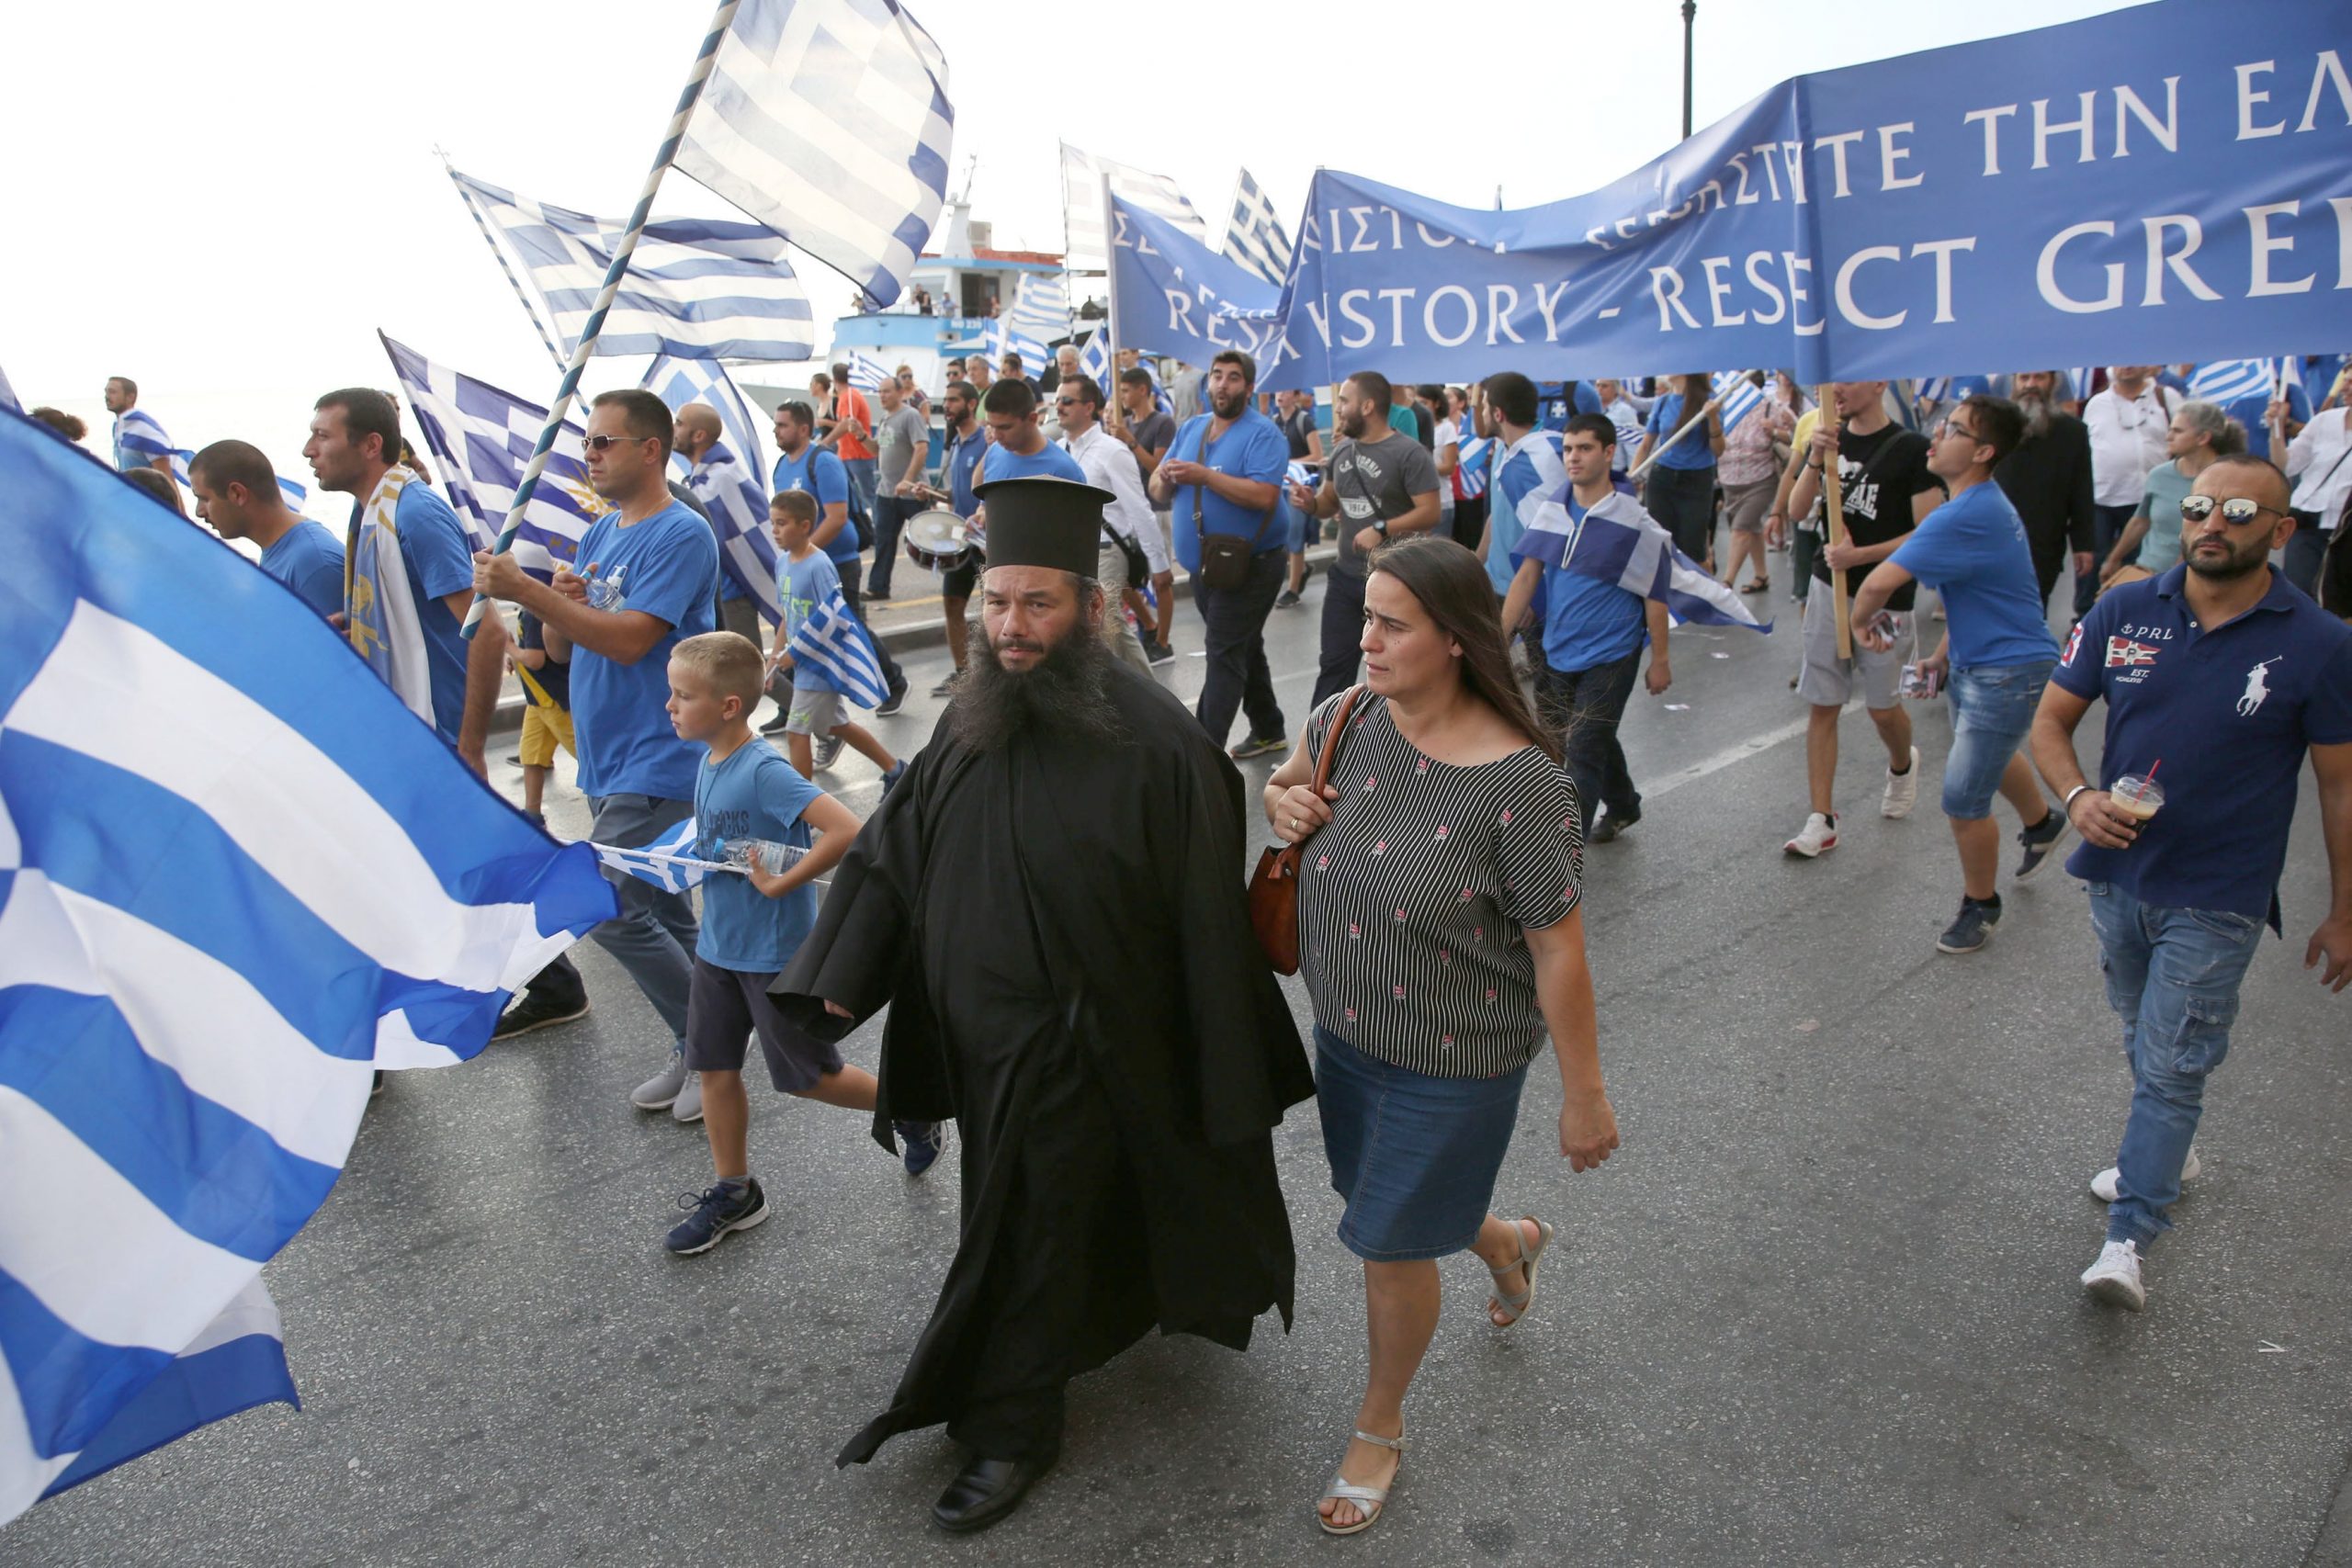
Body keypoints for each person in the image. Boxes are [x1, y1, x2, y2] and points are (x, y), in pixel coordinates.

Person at [771, 477, 1313, 1532]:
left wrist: (1204, 1063)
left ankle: (1009, 1425)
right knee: (1036, 1215)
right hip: (979, 1036)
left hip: (1084, 1043)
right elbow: (893, 853)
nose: (1010, 631)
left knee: (1021, 1225)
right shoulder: (973, 719)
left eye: (1037, 607)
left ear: (1090, 611)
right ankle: (1097, 1319)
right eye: (996, 605)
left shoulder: (1165, 750)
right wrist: (836, 986)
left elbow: (1204, 927)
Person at [1264, 534, 1615, 1537]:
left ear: (1456, 640)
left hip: (1456, 1062)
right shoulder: (1344, 718)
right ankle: (1504, 1240)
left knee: (1384, 1241)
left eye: (1391, 624)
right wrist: (1283, 799)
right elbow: (1285, 786)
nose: (1364, 638)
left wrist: (1583, 1094)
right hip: (1346, 1034)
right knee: (1385, 1205)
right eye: (1365, 616)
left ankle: (1379, 1425)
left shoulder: (1524, 787)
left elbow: (1559, 953)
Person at [2030, 454, 2352, 1312]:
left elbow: (2340, 784)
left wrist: (2346, 910)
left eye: (2241, 511)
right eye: (2202, 506)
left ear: (2282, 532)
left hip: (2221, 892)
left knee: (2171, 1065)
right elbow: (2052, 721)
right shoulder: (2126, 607)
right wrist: (2077, 796)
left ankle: (2130, 1233)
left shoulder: (2321, 643)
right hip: (2117, 877)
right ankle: (2168, 1148)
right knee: (2143, 1033)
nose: (2213, 523)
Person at [472, 389, 721, 1123]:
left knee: (608, 906)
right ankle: (699, 1045)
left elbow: (631, 639)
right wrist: (559, 595)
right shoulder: (601, 532)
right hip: (610, 756)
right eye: (587, 444)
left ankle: (707, 1050)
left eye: (604, 442)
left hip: (660, 751)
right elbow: (561, 649)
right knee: (668, 915)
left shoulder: (682, 533)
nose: (590, 455)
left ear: (652, 448)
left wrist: (529, 590)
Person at [657, 630, 939, 1256]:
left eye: (682, 695)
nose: (670, 706)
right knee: (712, 1066)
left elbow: (846, 830)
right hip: (718, 948)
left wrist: (784, 882)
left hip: (773, 958)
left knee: (810, 1078)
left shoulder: (763, 769)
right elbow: (727, 844)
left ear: (730, 705)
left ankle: (910, 1104)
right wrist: (677, 857)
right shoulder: (709, 759)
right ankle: (735, 1190)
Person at [1848, 397, 2064, 953]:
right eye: (1943, 425)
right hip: (1977, 662)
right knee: (1992, 753)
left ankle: (1981, 906)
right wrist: (1942, 656)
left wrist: (1858, 622)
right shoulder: (1979, 503)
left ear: (1984, 451)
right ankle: (2042, 824)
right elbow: (1983, 592)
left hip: (2007, 671)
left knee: (1963, 797)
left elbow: (1875, 585)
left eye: (1956, 430)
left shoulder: (1964, 513)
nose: (1937, 436)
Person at [1780, 380, 1944, 858]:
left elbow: (1927, 532)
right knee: (1822, 702)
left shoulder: (1912, 448)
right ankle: (1821, 819)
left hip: (1887, 599)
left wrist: (1861, 555)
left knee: (1883, 706)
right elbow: (1795, 509)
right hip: (1829, 590)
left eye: (1844, 383)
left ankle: (1901, 765)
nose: (1833, 393)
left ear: (1877, 385)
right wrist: (1816, 456)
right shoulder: (1826, 437)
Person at [305, 387, 504, 771]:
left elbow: (489, 631)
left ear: (371, 445)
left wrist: (471, 747)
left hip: (438, 739)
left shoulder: (415, 514)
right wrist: (364, 623)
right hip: (402, 736)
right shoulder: (370, 512)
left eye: (323, 436)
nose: (308, 449)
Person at [1498, 414, 1673, 844]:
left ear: (1609, 453)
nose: (1573, 457)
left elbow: (1655, 592)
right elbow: (1526, 577)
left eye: (1584, 448)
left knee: (1583, 746)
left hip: (1613, 652)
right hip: (1558, 648)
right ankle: (1625, 803)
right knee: (1574, 737)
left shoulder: (1633, 520)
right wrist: (1497, 640)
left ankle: (1562, 853)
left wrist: (1661, 660)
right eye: (1569, 449)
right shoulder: (1553, 511)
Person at [1150, 349, 1291, 758]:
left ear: (1248, 387)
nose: (1223, 384)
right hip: (1207, 567)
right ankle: (1268, 728)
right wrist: (1163, 478)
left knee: (1224, 653)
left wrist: (1206, 477)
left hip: (1252, 564)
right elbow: (1157, 492)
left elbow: (1265, 496)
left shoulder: (1263, 434)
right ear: (1207, 382)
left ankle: (1201, 757)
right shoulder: (1191, 427)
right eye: (1217, 376)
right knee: (1243, 646)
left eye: (1233, 377)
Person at [1289, 372, 1442, 708]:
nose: (1338, 409)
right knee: (1334, 665)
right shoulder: (1343, 453)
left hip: (1399, 583)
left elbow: (1430, 512)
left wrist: (1383, 528)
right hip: (1346, 578)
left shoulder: (1410, 454)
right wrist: (1310, 503)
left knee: (1397, 673)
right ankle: (1322, 750)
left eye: (1344, 401)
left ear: (1368, 406)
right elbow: (1330, 501)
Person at [774, 399, 907, 723]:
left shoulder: (823, 461)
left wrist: (802, 554)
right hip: (802, 565)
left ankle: (893, 681)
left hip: (834, 563)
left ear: (804, 429)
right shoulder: (781, 465)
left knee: (849, 628)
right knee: (797, 626)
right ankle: (789, 705)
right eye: (776, 425)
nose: (776, 431)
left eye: (783, 425)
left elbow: (837, 517)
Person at [764, 491, 908, 789]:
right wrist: (774, 660)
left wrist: (795, 652)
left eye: (782, 523)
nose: (775, 531)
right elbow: (786, 616)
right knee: (837, 726)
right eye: (773, 523)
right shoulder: (783, 564)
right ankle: (896, 771)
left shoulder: (819, 566)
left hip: (821, 666)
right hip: (801, 663)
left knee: (796, 732)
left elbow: (834, 617)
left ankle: (803, 812)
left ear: (805, 526)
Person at [1056, 373, 1169, 675]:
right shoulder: (1056, 450)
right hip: (1068, 552)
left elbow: (1138, 508)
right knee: (1089, 626)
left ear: (1089, 406)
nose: (1059, 406)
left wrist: (1159, 564)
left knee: (1105, 620)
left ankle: (1149, 701)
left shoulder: (1112, 450)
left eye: (1067, 400)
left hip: (1106, 549)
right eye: (1057, 400)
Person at [188, 439, 345, 619]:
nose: (199, 512)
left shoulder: (314, 563)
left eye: (204, 499)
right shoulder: (282, 552)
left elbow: (333, 646)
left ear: (237, 494)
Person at [2104, 400, 2242, 587]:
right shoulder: (2159, 475)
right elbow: (2141, 521)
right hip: (2147, 573)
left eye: (2177, 431)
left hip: (2199, 580)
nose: (2168, 437)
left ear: (2203, 438)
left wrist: (2176, 577)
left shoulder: (2229, 478)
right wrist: (2113, 559)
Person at [2077, 365, 2178, 617]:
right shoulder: (2097, 404)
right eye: (2119, 361)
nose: (2126, 366)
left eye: (2133, 359)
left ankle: (2136, 620)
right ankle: (2087, 619)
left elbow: (2183, 438)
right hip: (2102, 498)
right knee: (2094, 565)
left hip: (2148, 499)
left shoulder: (2167, 398)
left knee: (2141, 566)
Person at [1992, 370, 2098, 607]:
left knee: (2033, 612)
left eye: (2039, 378)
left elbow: (2081, 490)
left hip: (2043, 543)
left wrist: (2083, 545)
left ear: (2052, 383)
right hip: (1993, 537)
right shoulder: (1993, 428)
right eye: (2024, 378)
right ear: (2014, 383)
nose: (2031, 385)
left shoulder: (2073, 432)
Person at [672, 403, 770, 650]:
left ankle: (793, 693)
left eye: (680, 423)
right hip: (717, 595)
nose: (673, 428)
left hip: (732, 596)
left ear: (699, 435)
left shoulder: (720, 479)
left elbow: (730, 540)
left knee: (744, 673)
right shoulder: (704, 477)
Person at [1474, 373, 1566, 631]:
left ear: (1498, 414)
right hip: (1498, 584)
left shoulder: (1543, 457)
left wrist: (1532, 594)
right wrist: (1476, 562)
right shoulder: (1505, 449)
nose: (1481, 414)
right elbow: (1498, 515)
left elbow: (1551, 536)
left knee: (1536, 670)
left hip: (1529, 591)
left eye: (1483, 407)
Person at [925, 378, 988, 693]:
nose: (946, 406)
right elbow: (956, 493)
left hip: (988, 539)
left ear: (971, 404)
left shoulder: (986, 440)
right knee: (952, 602)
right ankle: (962, 673)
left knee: (995, 605)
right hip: (961, 540)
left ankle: (994, 672)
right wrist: (932, 492)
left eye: (952, 400)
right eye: (945, 400)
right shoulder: (953, 444)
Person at [1111, 367, 1179, 653]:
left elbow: (1158, 469)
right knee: (1122, 577)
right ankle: (1148, 624)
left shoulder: (1162, 423)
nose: (1122, 396)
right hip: (1127, 513)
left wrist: (1131, 441)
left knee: (1160, 579)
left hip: (1157, 507)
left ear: (1142, 390)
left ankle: (1162, 641)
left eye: (1126, 391)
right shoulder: (1123, 423)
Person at [1634, 374, 1725, 570]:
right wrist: (1631, 477)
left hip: (1697, 480)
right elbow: (1646, 444)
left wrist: (1712, 418)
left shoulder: (1710, 401)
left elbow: (1718, 449)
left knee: (1693, 549)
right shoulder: (1663, 401)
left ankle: (1704, 597)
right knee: (1660, 545)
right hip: (1662, 478)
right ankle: (1666, 597)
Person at [2270, 386, 2352, 598]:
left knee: (2338, 601)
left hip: (2345, 529)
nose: (2347, 387)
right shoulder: (2324, 421)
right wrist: (2276, 429)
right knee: (2298, 596)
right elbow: (2285, 465)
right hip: (2307, 521)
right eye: (2347, 380)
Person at [1717, 372, 1793, 594]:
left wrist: (1776, 430)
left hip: (1760, 479)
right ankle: (1761, 575)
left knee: (1741, 528)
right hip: (1729, 479)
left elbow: (1797, 434)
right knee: (1752, 528)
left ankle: (1727, 583)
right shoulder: (1725, 406)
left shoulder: (1771, 406)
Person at [863, 374, 929, 601]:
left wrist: (907, 480)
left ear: (900, 393)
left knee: (930, 536)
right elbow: (877, 450)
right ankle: (878, 587)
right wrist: (861, 436)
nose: (882, 395)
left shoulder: (910, 416)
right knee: (883, 540)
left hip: (911, 492)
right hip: (887, 491)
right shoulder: (884, 419)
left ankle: (959, 573)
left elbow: (921, 448)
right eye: (880, 391)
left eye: (887, 391)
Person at [1275, 387, 1324, 608]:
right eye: (1277, 392)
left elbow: (1317, 455)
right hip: (1280, 486)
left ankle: (1293, 589)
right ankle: (1300, 572)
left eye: (1284, 392)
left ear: (1295, 396)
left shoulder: (1304, 421)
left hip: (1300, 485)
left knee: (1295, 535)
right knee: (1283, 535)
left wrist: (1289, 464)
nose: (1279, 395)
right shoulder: (1274, 421)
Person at [103, 376, 176, 478]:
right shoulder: (118, 425)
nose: (106, 396)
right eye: (106, 392)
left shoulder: (144, 428)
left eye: (112, 392)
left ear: (130, 397)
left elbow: (166, 476)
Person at [1421, 383, 1460, 543]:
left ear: (1437, 403)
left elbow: (1449, 467)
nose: (1420, 408)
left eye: (1424, 403)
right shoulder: (1415, 426)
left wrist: (1420, 469)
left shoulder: (1446, 428)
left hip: (1441, 502)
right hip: (1417, 505)